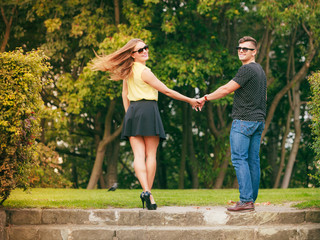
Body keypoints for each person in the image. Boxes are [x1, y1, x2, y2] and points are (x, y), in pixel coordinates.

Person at [92, 38, 200, 210]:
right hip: (149, 110)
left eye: (146, 48)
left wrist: (129, 114)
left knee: (138, 156)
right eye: (140, 50)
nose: (145, 51)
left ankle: (147, 194)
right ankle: (148, 192)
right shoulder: (145, 71)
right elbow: (166, 90)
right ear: (133, 55)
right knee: (150, 155)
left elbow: (124, 94)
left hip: (133, 111)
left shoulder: (127, 71)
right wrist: (190, 100)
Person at [197, 36, 266, 212]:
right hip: (258, 121)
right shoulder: (260, 70)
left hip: (244, 121)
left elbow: (226, 89)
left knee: (239, 159)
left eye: (246, 49)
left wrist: (204, 98)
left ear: (254, 52)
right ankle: (250, 199)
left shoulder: (247, 70)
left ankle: (246, 200)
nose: (241, 51)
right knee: (252, 160)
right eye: (239, 48)